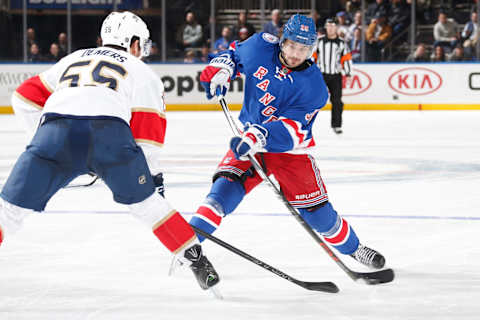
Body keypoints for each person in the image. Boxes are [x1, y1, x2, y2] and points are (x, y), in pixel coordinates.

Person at [1, 11, 219, 292]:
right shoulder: (142, 71)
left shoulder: (73, 57)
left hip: (53, 135)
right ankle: (198, 263)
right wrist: (150, 180)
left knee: (7, 212)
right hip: (109, 136)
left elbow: (22, 98)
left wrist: (41, 140)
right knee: (149, 208)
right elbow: (148, 138)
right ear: (133, 42)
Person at [193, 14, 386, 270]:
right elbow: (234, 55)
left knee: (319, 215)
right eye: (293, 46)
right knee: (222, 192)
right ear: (282, 41)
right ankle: (186, 247)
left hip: (288, 151)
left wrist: (259, 135)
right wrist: (223, 69)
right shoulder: (261, 45)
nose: (296, 54)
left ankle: (354, 248)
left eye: (304, 49)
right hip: (248, 141)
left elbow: (293, 130)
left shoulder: (315, 87)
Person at [316, 18, 352, 134]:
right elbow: (312, 57)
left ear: (336, 27)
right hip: (321, 75)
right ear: (326, 27)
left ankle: (336, 125)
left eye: (332, 26)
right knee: (312, 99)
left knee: (337, 101)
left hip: (335, 75)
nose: (330, 28)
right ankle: (305, 123)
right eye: (328, 26)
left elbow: (346, 58)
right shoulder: (319, 41)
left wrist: (348, 73)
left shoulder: (341, 43)